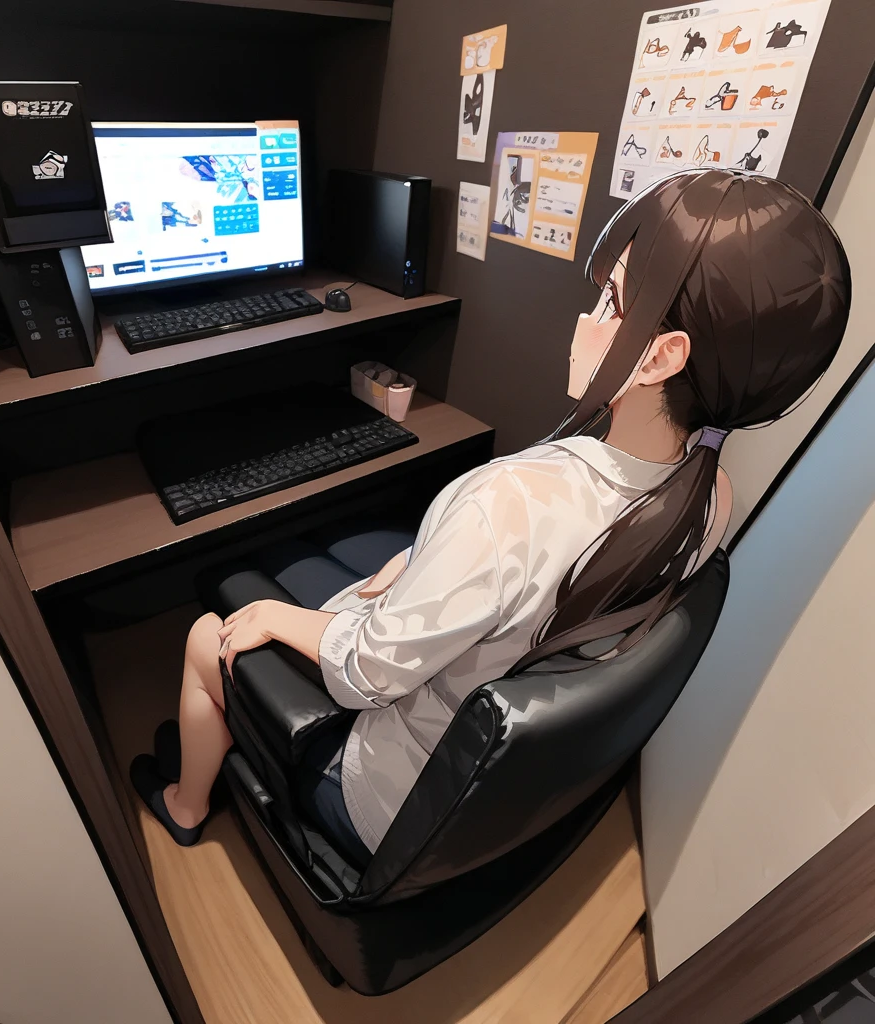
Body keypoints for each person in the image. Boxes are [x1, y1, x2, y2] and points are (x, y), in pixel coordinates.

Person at [130, 168, 851, 861]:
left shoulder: (506, 505)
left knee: (209, 632)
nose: (586, 317)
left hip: (383, 794)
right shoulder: (710, 496)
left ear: (662, 356)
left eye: (611, 301)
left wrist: (277, 618)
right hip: (485, 768)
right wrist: (423, 565)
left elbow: (366, 674)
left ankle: (187, 806)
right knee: (375, 558)